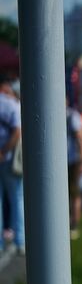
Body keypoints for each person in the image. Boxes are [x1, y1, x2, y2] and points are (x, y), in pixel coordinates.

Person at [0, 78, 23, 255]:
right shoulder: (11, 104)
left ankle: (1, 242)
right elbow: (17, 130)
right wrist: (5, 150)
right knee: (17, 198)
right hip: (8, 159)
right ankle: (20, 240)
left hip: (4, 157)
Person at [66, 101, 82, 240]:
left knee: (74, 192)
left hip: (72, 160)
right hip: (65, 159)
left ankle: (74, 224)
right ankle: (67, 222)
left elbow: (81, 138)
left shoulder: (72, 116)